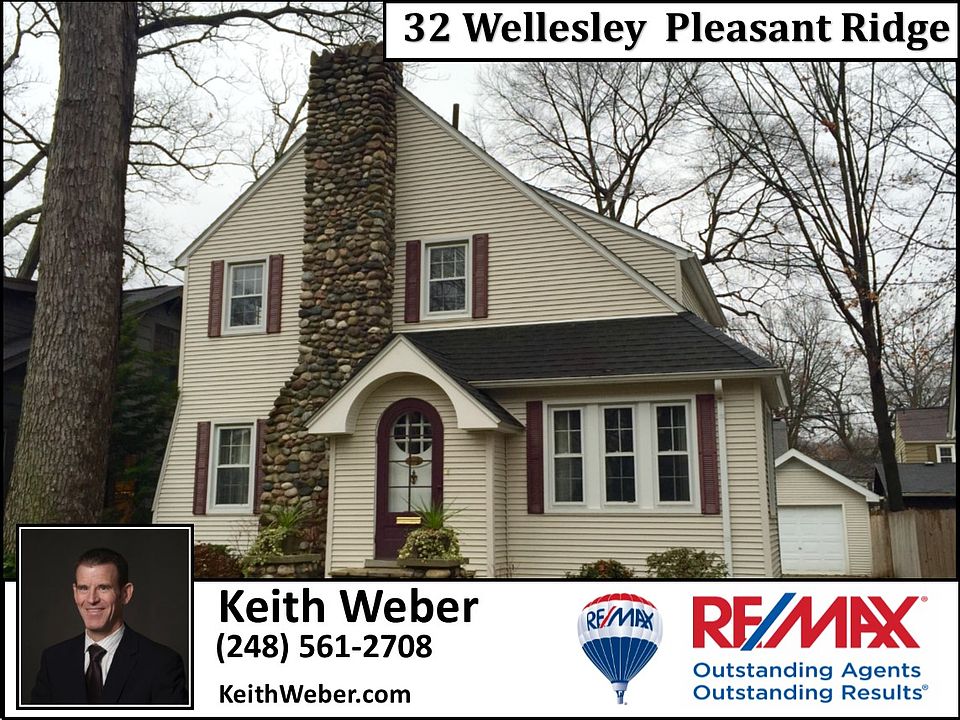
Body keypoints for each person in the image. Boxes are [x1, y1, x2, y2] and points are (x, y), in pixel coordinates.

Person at [30, 547, 188, 705]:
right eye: (83, 588)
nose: (91, 599)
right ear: (75, 592)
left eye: (103, 588)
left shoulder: (161, 664)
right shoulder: (54, 660)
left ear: (125, 594)